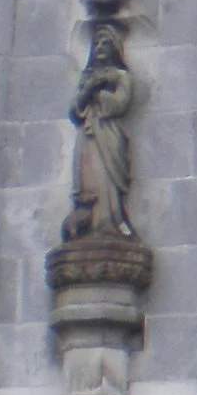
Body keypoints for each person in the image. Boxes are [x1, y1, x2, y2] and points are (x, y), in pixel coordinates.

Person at [65, 24, 138, 241]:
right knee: (89, 175)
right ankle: (90, 221)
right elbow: (74, 109)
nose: (99, 47)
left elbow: (120, 103)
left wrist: (100, 93)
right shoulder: (87, 77)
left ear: (114, 48)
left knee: (108, 178)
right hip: (88, 135)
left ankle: (112, 222)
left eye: (105, 43)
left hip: (108, 132)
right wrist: (89, 89)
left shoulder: (121, 76)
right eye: (96, 43)